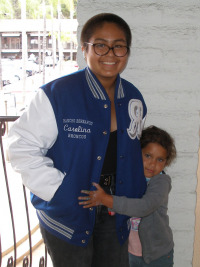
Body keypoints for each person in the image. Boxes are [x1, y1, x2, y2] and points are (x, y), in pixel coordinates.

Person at [8, 13, 147, 267]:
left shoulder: (133, 98)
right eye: (100, 45)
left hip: (114, 209)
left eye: (119, 45)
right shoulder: (57, 94)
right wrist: (60, 191)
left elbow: (130, 149)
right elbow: (20, 147)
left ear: (127, 51)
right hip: (68, 213)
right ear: (84, 49)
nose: (110, 53)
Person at [79, 125, 177, 267]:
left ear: (166, 162)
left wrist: (106, 199)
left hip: (157, 255)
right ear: (138, 152)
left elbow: (144, 207)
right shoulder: (128, 177)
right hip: (129, 253)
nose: (152, 164)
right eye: (148, 156)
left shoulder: (161, 182)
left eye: (160, 160)